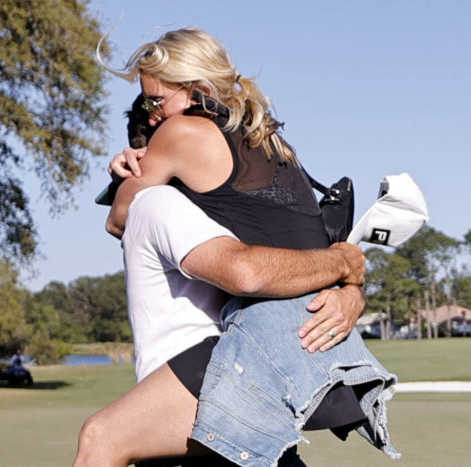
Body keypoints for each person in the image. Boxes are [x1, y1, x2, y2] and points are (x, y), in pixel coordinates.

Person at [102, 27, 399, 466]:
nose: (151, 116)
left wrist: (130, 168)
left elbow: (120, 219)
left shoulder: (181, 131)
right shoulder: (275, 143)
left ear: (198, 90)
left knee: (101, 440)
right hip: (315, 339)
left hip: (265, 341)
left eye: (156, 101)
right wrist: (349, 284)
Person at [75, 98, 368, 466]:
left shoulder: (210, 210)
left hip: (217, 402)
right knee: (101, 439)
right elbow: (246, 271)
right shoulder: (159, 202)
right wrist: (344, 264)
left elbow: (278, 269)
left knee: (102, 439)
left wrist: (352, 292)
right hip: (200, 398)